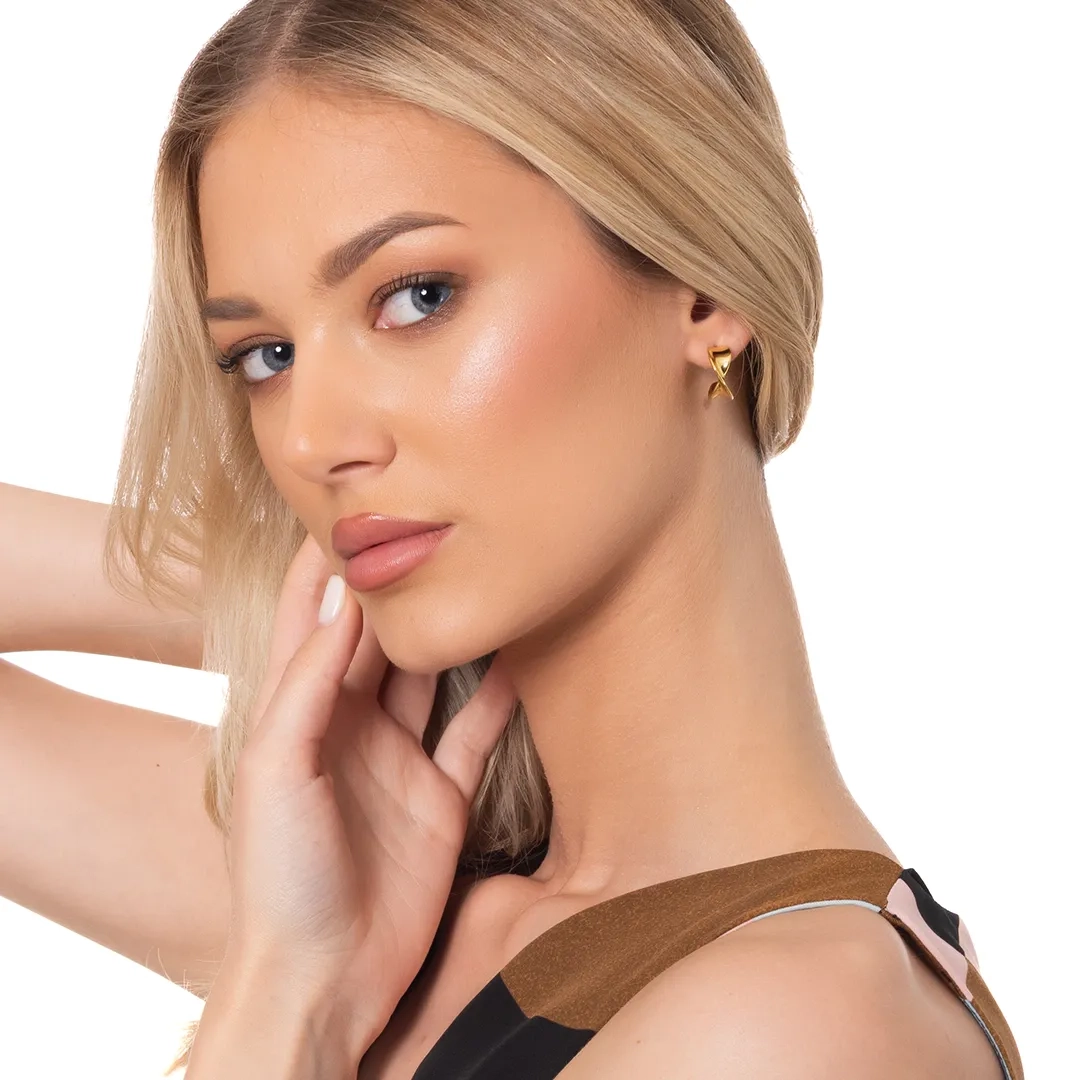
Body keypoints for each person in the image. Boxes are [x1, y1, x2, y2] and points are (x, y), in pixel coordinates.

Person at [0, 1, 1026, 1078]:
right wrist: (291, 988)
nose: (309, 440)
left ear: (704, 289)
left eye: (416, 297)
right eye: (265, 355)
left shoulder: (789, 1030)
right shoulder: (360, 894)